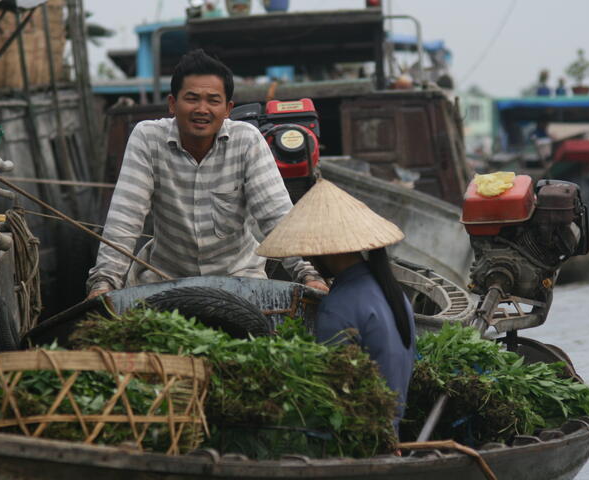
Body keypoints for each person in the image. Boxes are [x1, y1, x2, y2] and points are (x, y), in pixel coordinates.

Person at [87, 50, 327, 298]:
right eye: (192, 98)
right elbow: (125, 217)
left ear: (227, 109)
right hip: (163, 279)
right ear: (172, 104)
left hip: (240, 279)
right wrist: (104, 282)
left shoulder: (246, 140)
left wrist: (308, 274)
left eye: (213, 100)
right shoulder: (147, 138)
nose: (202, 109)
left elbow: (276, 215)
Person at [256, 179, 416, 433]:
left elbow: (331, 398)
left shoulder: (339, 306)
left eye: (310, 251)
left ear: (327, 252)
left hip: (356, 441)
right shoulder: (395, 294)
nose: (308, 258)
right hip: (389, 430)